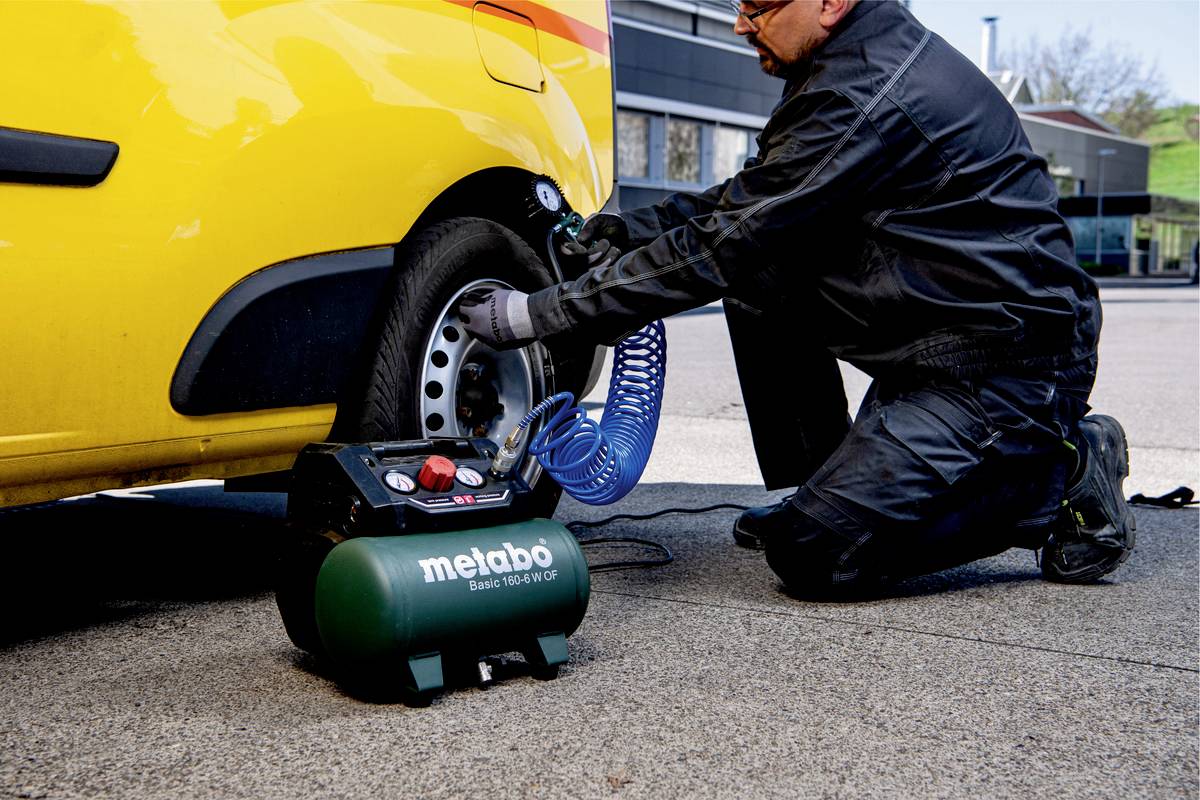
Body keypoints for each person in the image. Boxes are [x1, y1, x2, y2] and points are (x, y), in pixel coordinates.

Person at [459, 0, 1136, 598]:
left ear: (832, 2)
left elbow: (724, 245)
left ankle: (1060, 474)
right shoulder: (843, 65)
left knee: (814, 554)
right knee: (759, 282)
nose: (740, 24)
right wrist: (623, 231)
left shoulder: (867, 90)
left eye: (758, 7)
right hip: (935, 334)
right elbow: (750, 204)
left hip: (1006, 372)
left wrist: (537, 315)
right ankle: (815, 488)